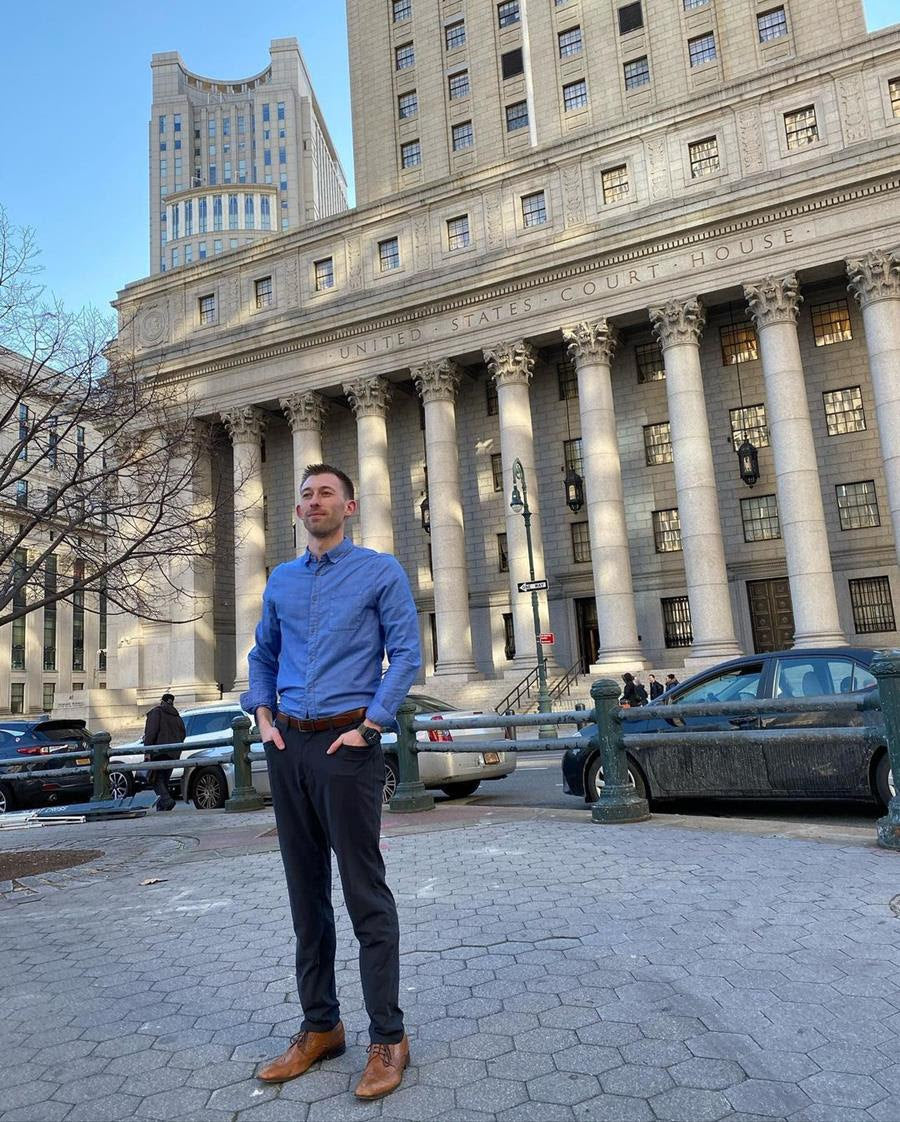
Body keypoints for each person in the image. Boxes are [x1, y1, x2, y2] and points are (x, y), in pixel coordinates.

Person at [241, 463, 421, 1101]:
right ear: (298, 510)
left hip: (348, 746)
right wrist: (261, 712)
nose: (315, 502)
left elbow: (406, 653)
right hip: (289, 745)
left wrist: (371, 726)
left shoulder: (380, 571)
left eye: (327, 494)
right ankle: (321, 1027)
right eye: (307, 494)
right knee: (304, 894)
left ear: (350, 507)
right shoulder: (282, 581)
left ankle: (388, 1036)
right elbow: (263, 653)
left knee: (364, 893)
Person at [142, 692, 185, 811]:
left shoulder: (156, 712)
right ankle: (162, 806)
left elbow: (151, 733)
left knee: (155, 778)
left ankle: (166, 800)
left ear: (161, 701)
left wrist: (147, 750)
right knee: (164, 779)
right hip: (173, 752)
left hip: (158, 751)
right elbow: (183, 733)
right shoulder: (177, 716)